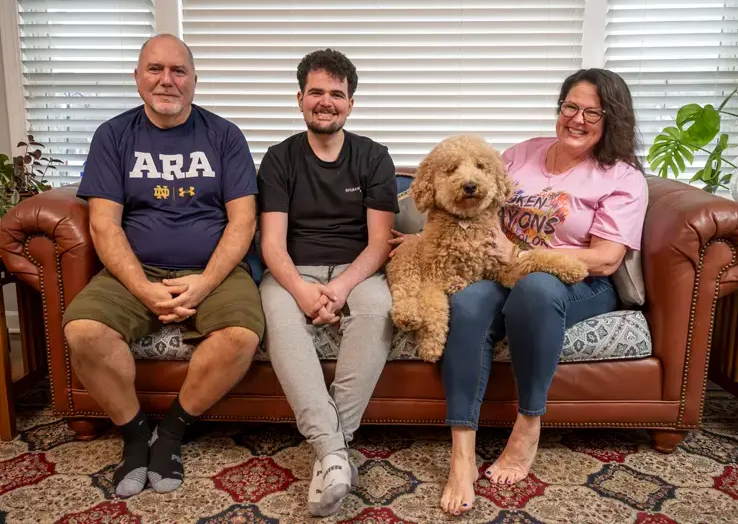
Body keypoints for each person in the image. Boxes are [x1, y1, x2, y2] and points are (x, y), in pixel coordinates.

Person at [390, 68, 648, 517]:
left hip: (579, 282)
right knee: (467, 302)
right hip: (503, 270)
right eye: (570, 107)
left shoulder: (621, 177)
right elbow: (473, 204)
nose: (577, 119)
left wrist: (523, 253)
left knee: (535, 288)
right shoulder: (521, 155)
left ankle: (528, 424)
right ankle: (462, 452)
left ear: (612, 119)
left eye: (592, 112)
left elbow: (607, 258)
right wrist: (426, 239)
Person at [62, 34, 264, 498]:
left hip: (213, 270)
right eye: (155, 69)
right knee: (83, 330)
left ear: (194, 80)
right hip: (135, 268)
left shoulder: (224, 136)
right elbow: (104, 225)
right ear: (138, 77)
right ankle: (136, 436)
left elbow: (243, 221)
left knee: (242, 336)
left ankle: (170, 433)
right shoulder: (113, 136)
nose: (166, 80)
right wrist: (143, 288)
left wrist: (204, 283)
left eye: (178, 71)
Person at [257, 49, 398, 517]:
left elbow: (379, 243)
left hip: (358, 270)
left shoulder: (374, 157)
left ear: (350, 103)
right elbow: (271, 244)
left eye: (336, 94)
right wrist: (302, 291)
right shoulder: (279, 159)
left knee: (378, 309)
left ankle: (330, 450)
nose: (326, 102)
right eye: (316, 92)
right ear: (300, 99)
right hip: (294, 270)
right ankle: (335, 452)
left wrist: (340, 289)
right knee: (279, 318)